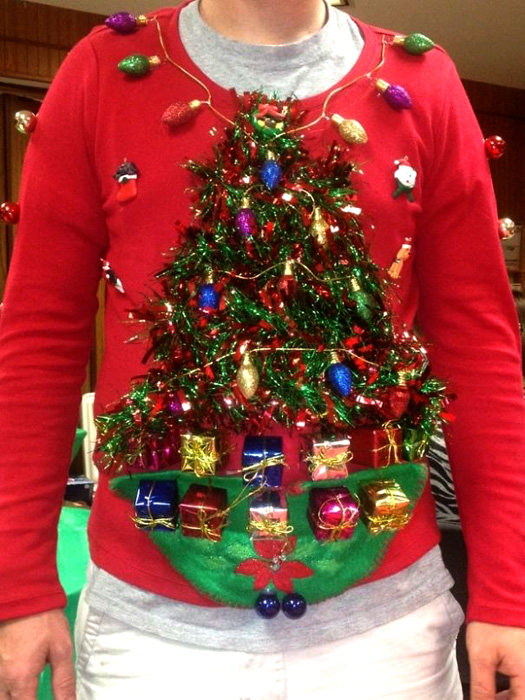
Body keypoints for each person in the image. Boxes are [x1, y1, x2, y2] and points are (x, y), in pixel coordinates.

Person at [1, 1, 525, 698]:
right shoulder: (103, 71)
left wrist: (510, 593)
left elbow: (479, 346)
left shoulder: (421, 82)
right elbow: (39, 337)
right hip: (153, 637)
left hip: (387, 634)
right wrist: (18, 584)